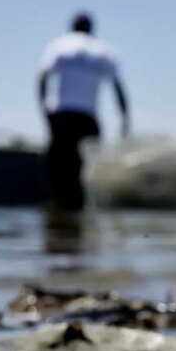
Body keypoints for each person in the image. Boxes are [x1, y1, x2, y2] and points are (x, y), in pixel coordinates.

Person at [38, 12, 130, 211]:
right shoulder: (103, 51)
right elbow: (118, 87)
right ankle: (80, 215)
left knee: (58, 169)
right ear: (91, 28)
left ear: (72, 26)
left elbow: (43, 78)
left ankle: (58, 214)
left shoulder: (60, 45)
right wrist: (125, 118)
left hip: (61, 115)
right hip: (87, 117)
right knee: (86, 169)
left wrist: (44, 110)